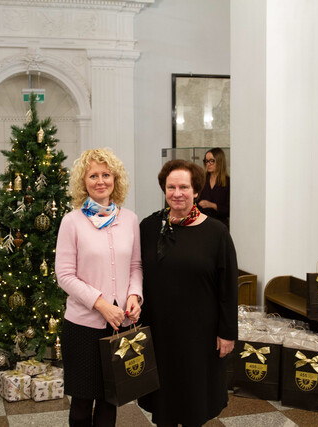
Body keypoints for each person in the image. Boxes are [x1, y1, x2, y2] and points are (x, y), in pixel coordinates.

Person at [138, 159, 238, 426]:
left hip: (200, 333)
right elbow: (136, 270)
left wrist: (227, 332)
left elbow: (228, 286)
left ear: (196, 190)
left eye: (184, 187)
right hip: (159, 330)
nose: (177, 193)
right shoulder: (149, 227)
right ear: (164, 189)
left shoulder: (216, 232)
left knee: (195, 399)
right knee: (164, 401)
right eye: (171, 187)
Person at [55, 148, 142, 427]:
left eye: (106, 174)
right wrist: (102, 304)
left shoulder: (130, 219)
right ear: (84, 181)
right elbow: (64, 275)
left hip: (120, 323)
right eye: (93, 175)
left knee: (110, 401)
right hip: (83, 326)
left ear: (116, 179)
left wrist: (134, 295)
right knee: (82, 403)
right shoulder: (72, 222)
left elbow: (135, 266)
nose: (100, 181)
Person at [197, 147, 230, 228]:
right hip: (202, 224)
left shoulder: (228, 182)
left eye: (212, 161)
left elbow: (229, 210)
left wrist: (213, 205)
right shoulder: (201, 179)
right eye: (206, 161)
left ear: (220, 161)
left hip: (220, 226)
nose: (208, 164)